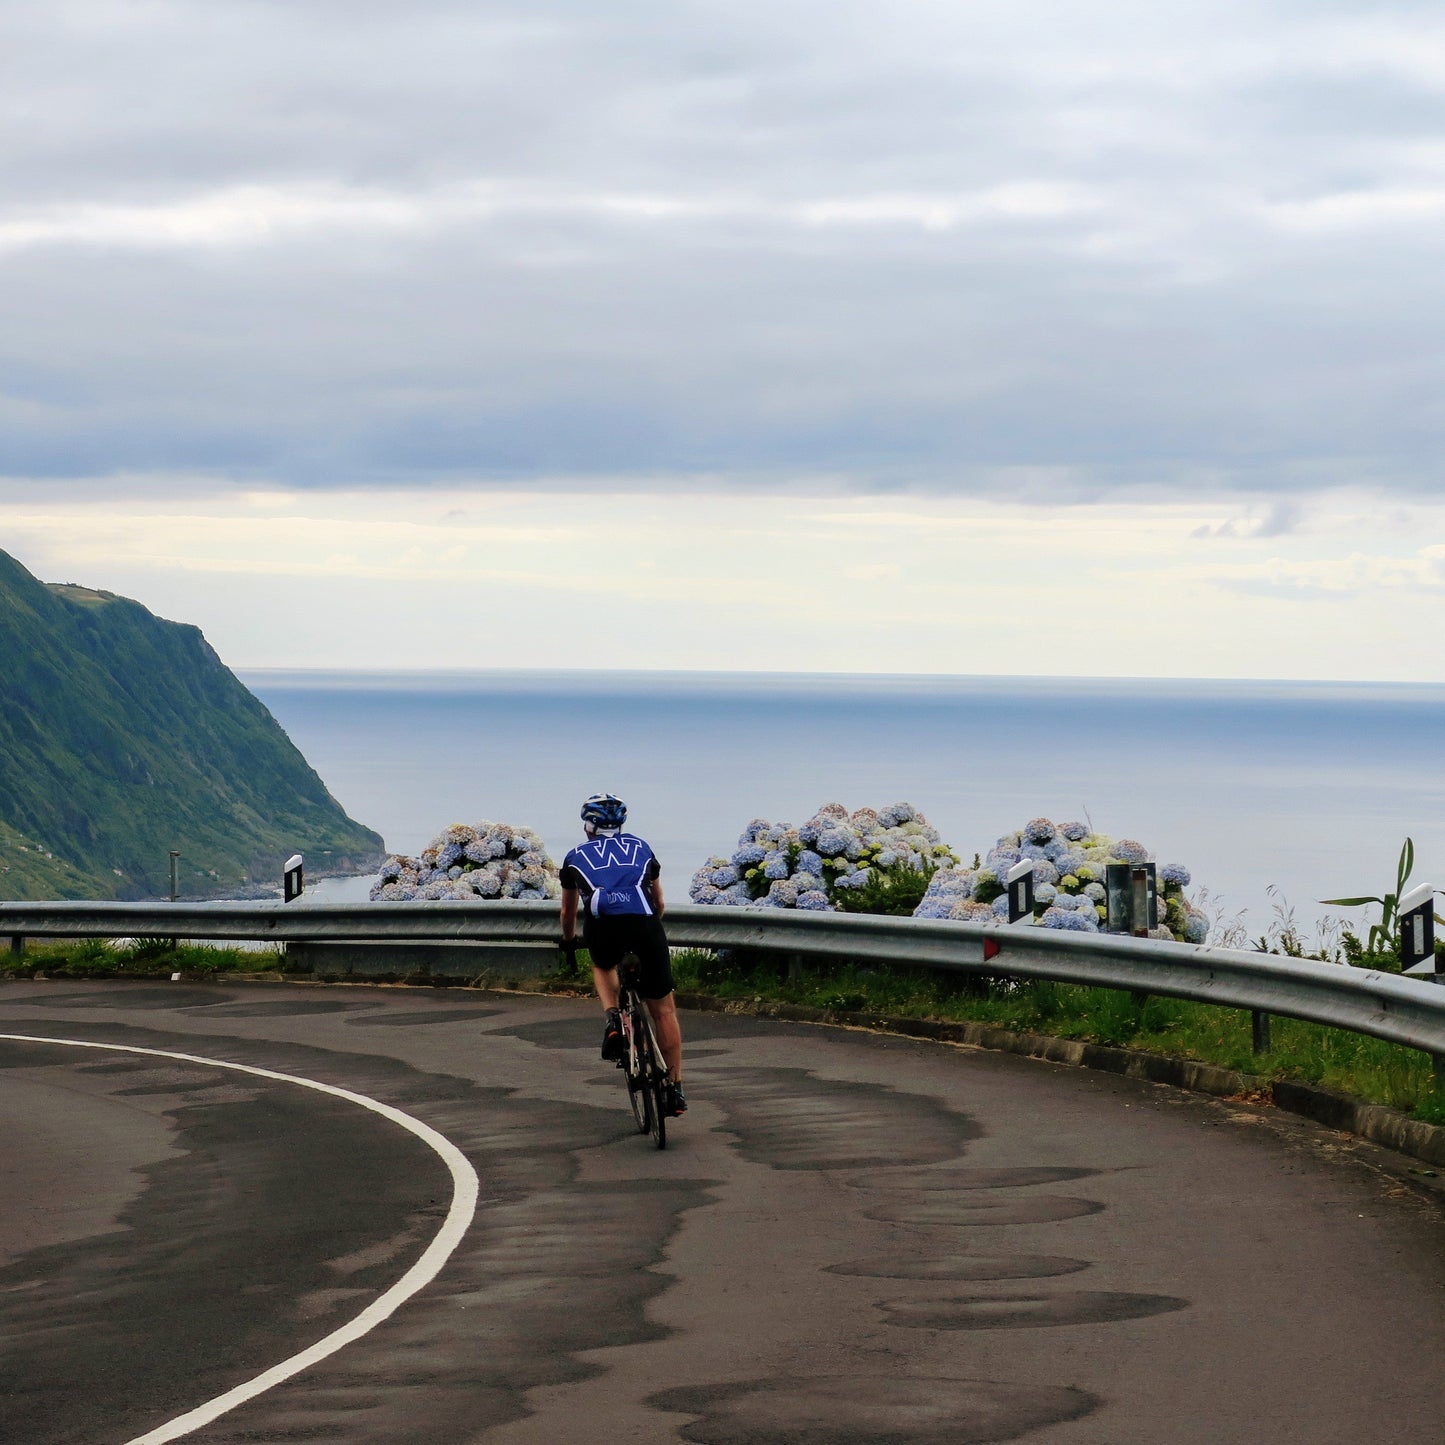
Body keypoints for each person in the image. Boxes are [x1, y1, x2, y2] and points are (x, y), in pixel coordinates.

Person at [559, 793, 686, 1116]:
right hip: (644, 926)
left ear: (588, 825)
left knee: (602, 964)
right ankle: (674, 1089)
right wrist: (649, 934)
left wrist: (569, 940)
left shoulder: (575, 856)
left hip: (604, 928)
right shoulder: (641, 847)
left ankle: (613, 1016)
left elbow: (567, 912)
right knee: (664, 1012)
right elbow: (658, 904)